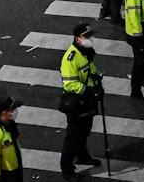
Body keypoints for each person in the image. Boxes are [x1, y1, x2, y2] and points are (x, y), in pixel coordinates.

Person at [57, 21, 101, 179]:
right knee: (73, 136)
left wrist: (97, 83)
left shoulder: (87, 51)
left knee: (85, 130)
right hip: (77, 102)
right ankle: (67, 170)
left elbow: (91, 69)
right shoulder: (70, 58)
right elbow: (70, 83)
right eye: (86, 36)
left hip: (88, 98)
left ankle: (82, 156)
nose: (90, 39)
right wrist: (88, 90)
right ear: (77, 39)